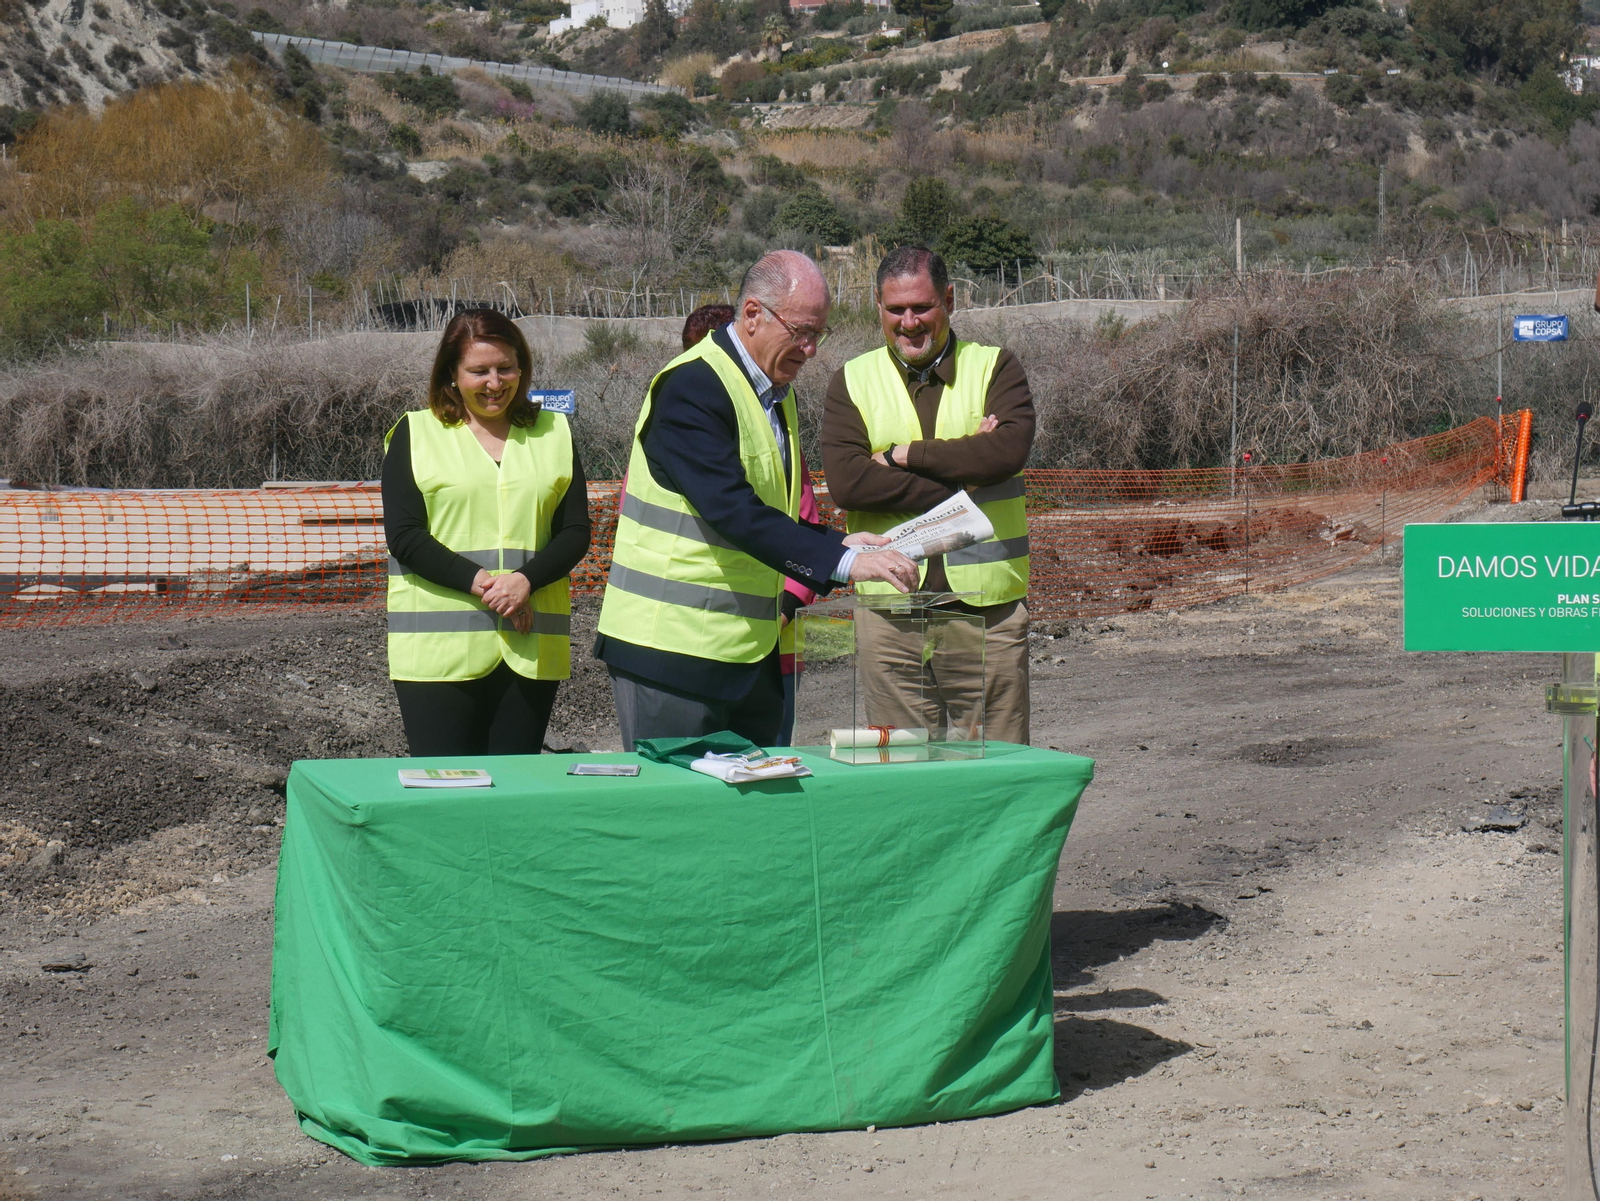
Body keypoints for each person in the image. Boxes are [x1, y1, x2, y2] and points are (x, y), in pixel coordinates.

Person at [595, 250, 918, 750]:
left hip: (746, 655)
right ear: (752, 315)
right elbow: (731, 510)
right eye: (802, 332)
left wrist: (839, 542)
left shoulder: (774, 392)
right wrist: (843, 562)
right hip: (671, 654)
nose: (811, 350)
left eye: (819, 334)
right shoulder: (692, 387)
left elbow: (771, 510)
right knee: (680, 800)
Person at [821, 245, 1036, 745]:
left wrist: (901, 456)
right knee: (904, 771)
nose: (909, 322)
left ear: (949, 300)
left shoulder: (996, 368)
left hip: (985, 614)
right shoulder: (851, 381)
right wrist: (966, 471)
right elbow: (850, 484)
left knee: (997, 769)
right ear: (878, 306)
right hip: (890, 617)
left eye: (922, 307)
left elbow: (1005, 453)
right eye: (896, 309)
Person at [382, 307, 592, 756]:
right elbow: (405, 536)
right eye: (479, 371)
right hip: (437, 656)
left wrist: (526, 580)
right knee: (448, 789)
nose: (495, 383)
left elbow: (575, 530)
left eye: (505, 368)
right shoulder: (415, 433)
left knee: (514, 790)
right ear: (452, 374)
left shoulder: (555, 431)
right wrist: (488, 586)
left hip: (529, 651)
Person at [674, 301, 820, 747]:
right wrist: (842, 557)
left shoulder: (778, 410)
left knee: (766, 771)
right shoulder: (679, 409)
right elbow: (731, 512)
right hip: (689, 645)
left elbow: (801, 517)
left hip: (770, 646)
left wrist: (785, 606)